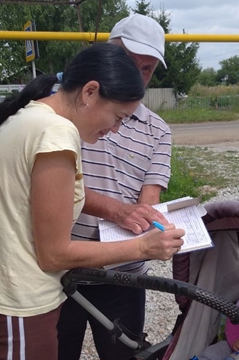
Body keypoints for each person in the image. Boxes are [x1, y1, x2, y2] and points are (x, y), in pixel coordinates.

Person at [0, 43, 185, 360]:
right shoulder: (57, 133)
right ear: (90, 92)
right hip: (18, 310)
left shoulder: (28, 117)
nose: (114, 129)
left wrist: (119, 211)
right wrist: (143, 248)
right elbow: (54, 254)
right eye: (118, 116)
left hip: (4, 304)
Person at [57, 14, 173, 360]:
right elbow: (58, 190)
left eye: (147, 68)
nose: (135, 76)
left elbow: (148, 200)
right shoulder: (65, 112)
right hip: (61, 270)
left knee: (123, 355)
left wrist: (153, 226)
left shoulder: (158, 130)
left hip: (124, 275)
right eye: (128, 61)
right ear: (108, 53)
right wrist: (119, 211)